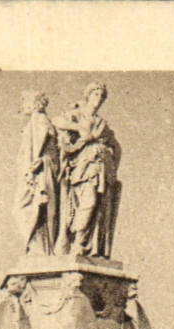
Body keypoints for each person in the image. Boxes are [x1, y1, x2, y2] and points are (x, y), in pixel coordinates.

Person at [53, 82, 120, 257]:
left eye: (102, 96)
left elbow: (116, 147)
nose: (99, 99)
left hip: (102, 169)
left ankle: (83, 245)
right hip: (83, 167)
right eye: (96, 94)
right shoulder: (78, 114)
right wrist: (78, 128)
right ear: (88, 95)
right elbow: (57, 121)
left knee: (97, 208)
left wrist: (113, 167)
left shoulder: (102, 123)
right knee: (87, 203)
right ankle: (77, 241)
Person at [14, 91, 60, 255]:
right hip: (35, 172)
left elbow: (43, 150)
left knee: (24, 209)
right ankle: (38, 248)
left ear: (35, 103)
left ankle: (39, 249)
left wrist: (38, 163)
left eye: (25, 101)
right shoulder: (38, 121)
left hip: (37, 174)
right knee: (31, 210)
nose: (22, 105)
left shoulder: (39, 120)